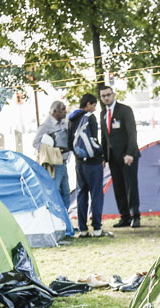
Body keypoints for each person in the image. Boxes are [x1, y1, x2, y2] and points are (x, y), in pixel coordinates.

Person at [98, 84, 141, 227]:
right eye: (103, 96)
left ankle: (135, 215)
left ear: (113, 94)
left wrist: (130, 153)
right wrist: (103, 156)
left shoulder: (125, 110)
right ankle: (124, 216)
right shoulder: (103, 113)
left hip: (127, 156)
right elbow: (104, 137)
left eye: (108, 95)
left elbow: (132, 133)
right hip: (112, 157)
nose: (106, 98)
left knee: (131, 186)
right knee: (118, 187)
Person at [68, 94, 104, 237]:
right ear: (88, 104)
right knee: (96, 194)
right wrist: (100, 155)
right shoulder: (90, 118)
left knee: (81, 194)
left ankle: (82, 228)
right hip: (93, 162)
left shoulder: (71, 119)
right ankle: (96, 228)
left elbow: (70, 142)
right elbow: (94, 139)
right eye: (94, 105)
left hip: (78, 162)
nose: (94, 109)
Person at [33, 100, 72, 224]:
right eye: (62, 109)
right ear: (54, 111)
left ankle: (64, 220)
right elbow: (36, 143)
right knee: (55, 191)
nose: (65, 112)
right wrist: (51, 151)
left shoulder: (65, 124)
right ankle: (55, 220)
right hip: (53, 164)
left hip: (63, 162)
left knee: (66, 192)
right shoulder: (46, 126)